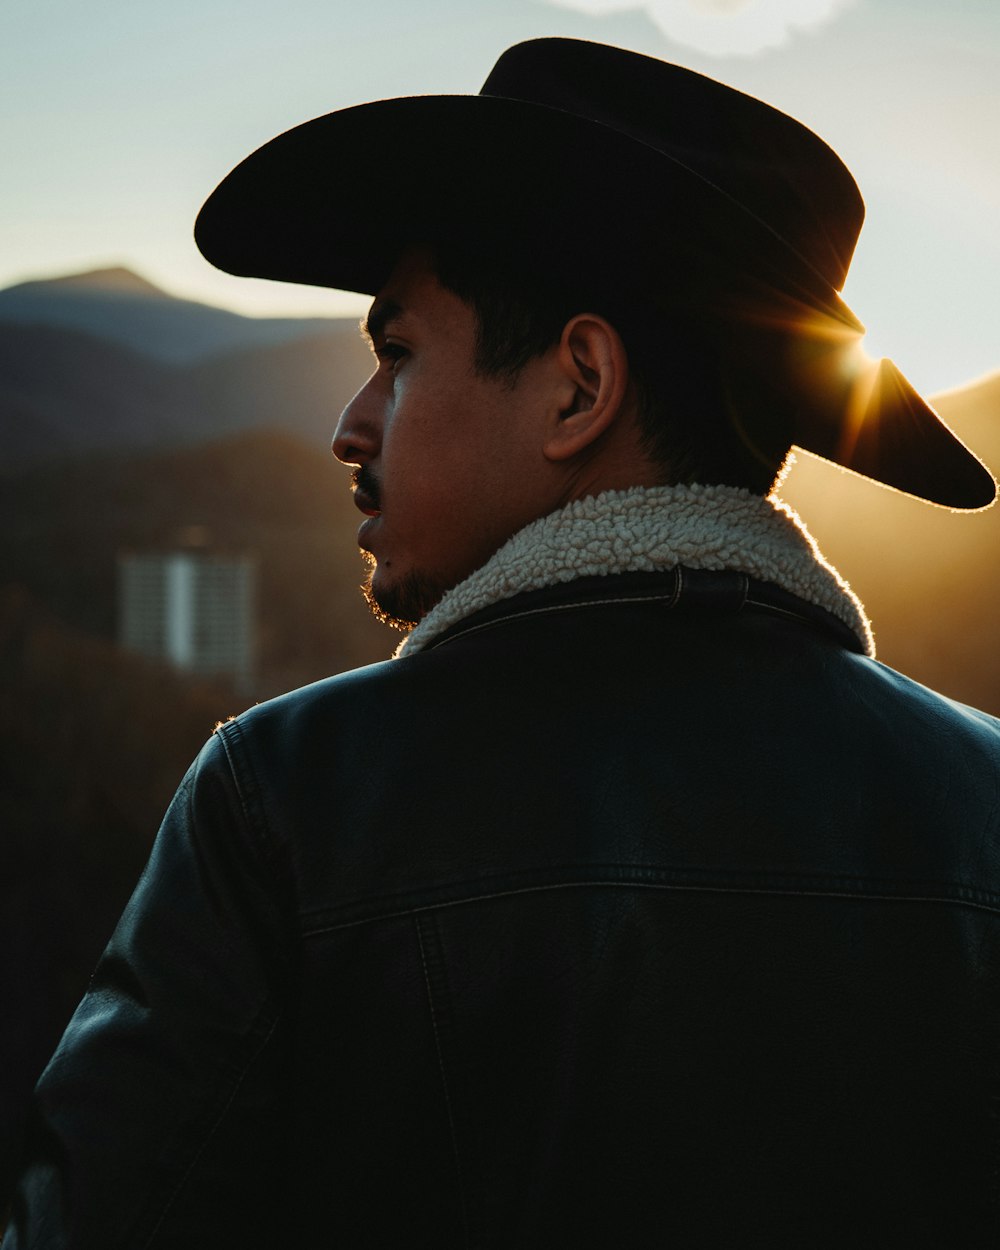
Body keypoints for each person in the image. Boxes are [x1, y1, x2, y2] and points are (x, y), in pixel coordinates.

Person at [5, 37, 1000, 1249]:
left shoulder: (292, 802)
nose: (349, 425)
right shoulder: (982, 802)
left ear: (578, 386)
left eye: (398, 355)